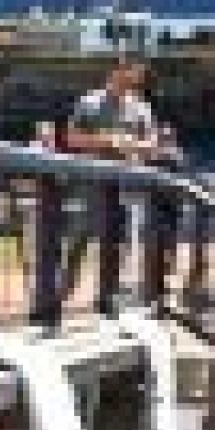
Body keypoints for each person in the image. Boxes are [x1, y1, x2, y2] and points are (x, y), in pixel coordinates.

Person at [58, 56, 182, 302]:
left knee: (118, 239)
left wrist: (134, 145)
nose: (138, 79)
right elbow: (70, 139)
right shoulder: (89, 102)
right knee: (79, 238)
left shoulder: (141, 107)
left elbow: (153, 144)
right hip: (91, 180)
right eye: (133, 73)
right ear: (117, 72)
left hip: (125, 182)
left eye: (139, 75)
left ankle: (108, 296)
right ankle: (61, 293)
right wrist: (107, 140)